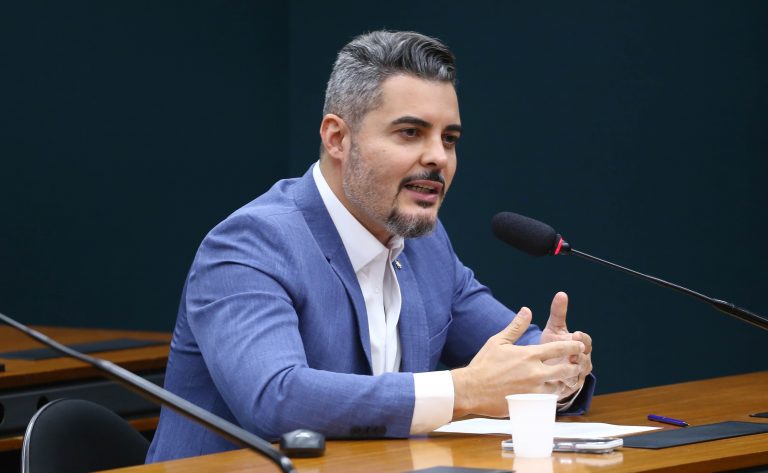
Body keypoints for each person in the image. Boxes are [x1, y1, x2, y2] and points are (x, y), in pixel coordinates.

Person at [146, 30, 594, 463]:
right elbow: (276, 397)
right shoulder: (252, 244)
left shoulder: (426, 245)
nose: (438, 157)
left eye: (449, 139)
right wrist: (464, 391)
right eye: (410, 132)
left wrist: (555, 366)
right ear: (337, 138)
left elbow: (512, 351)